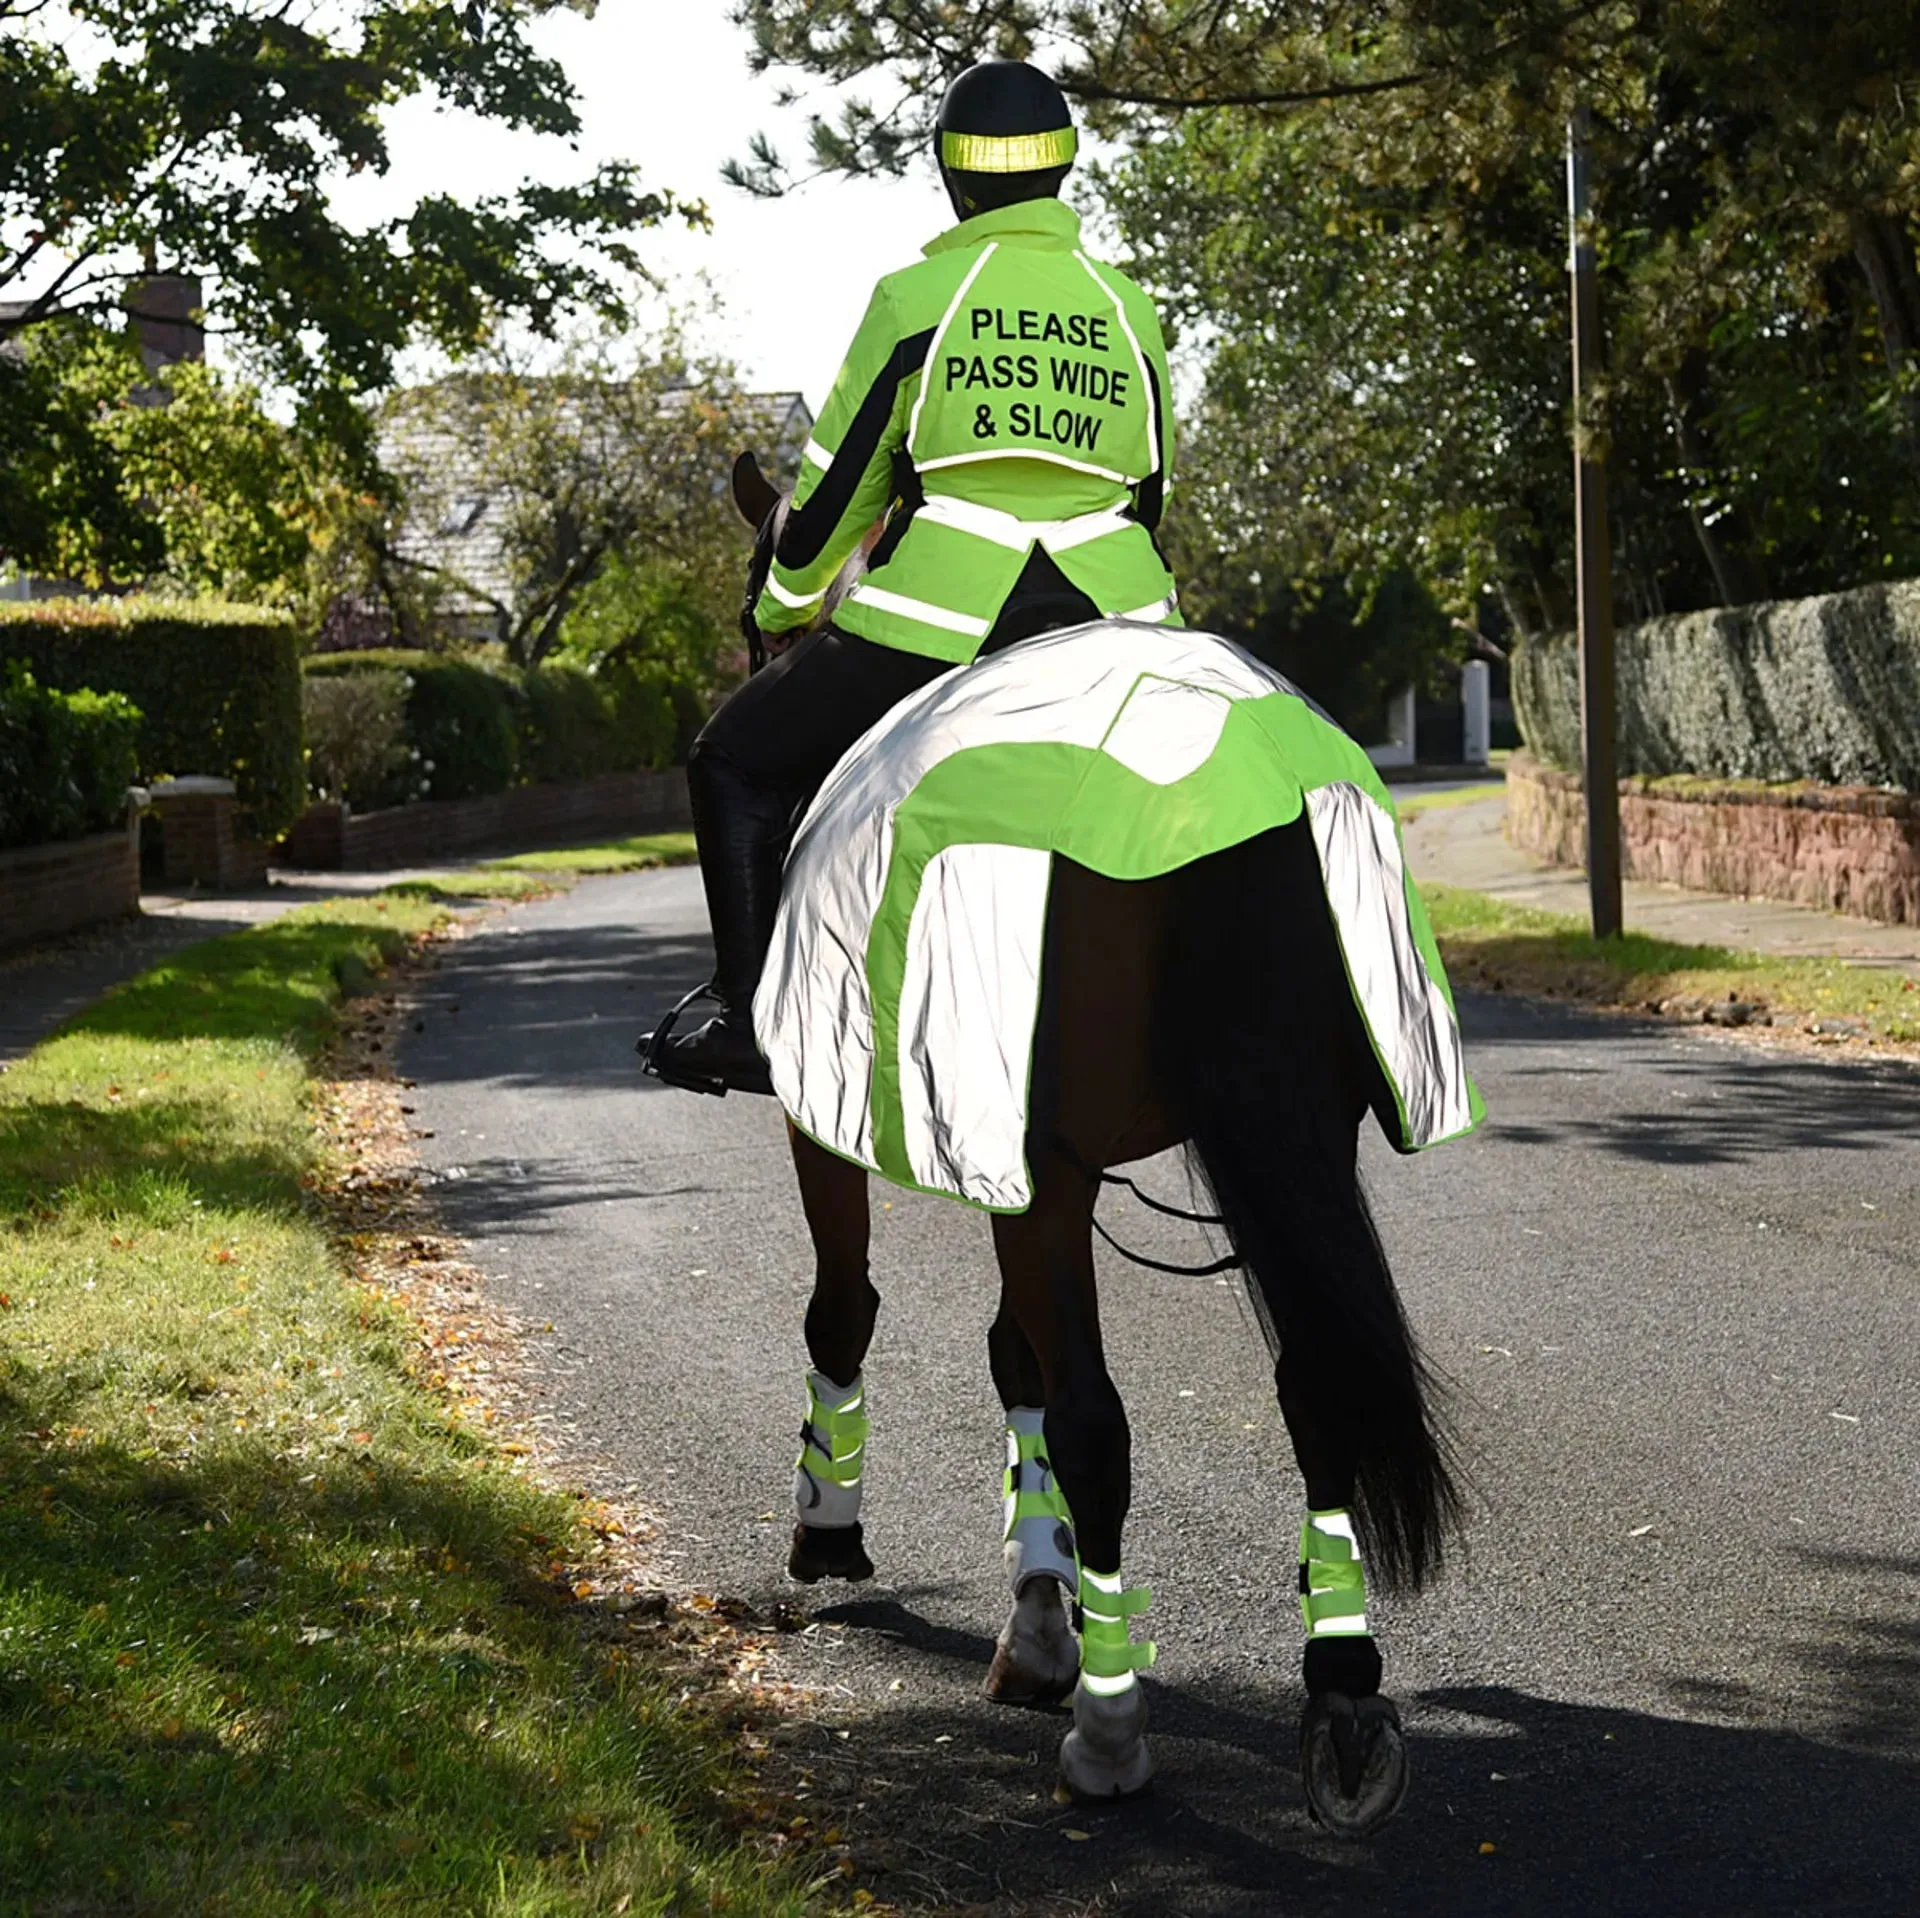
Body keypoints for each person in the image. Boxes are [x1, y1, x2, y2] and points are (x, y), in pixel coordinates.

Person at [644, 57, 1181, 1095]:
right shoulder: (1131, 312)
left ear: (955, 179)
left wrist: (779, 606)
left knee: (732, 762)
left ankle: (753, 1023)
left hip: (945, 620)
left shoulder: (916, 301)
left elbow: (825, 513)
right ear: (1063, 171)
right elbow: (1151, 497)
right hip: (1127, 624)